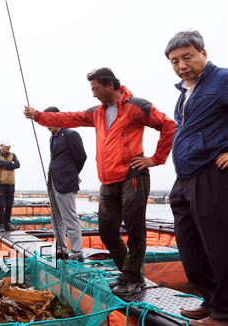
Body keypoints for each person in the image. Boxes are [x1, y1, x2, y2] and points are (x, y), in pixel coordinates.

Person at [23, 68, 176, 295]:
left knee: (135, 229)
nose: (93, 94)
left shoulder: (137, 106)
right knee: (106, 230)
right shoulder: (97, 112)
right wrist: (38, 116)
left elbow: (168, 125)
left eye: (96, 88)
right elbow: (69, 117)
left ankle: (132, 278)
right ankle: (129, 274)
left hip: (132, 175)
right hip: (108, 180)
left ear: (110, 85)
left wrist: (155, 159)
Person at [165, 31, 228, 326]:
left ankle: (225, 314)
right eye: (175, 61)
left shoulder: (222, 80)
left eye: (187, 56)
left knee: (219, 244)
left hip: (212, 172)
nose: (181, 65)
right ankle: (212, 299)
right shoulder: (185, 93)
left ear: (203, 52)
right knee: (191, 245)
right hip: (185, 176)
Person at [44, 107, 87, 262]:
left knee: (69, 217)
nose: (47, 125)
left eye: (49, 121)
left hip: (66, 182)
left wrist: (73, 174)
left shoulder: (70, 134)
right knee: (56, 218)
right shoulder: (52, 138)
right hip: (53, 182)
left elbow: (81, 157)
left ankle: (77, 252)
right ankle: (61, 249)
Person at [0, 139, 20, 232]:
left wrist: (6, 165)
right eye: (6, 146)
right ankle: (0, 224)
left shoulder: (13, 155)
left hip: (11, 184)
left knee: (9, 204)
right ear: (1, 145)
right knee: (1, 205)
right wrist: (10, 163)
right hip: (0, 184)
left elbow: (17, 165)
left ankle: (7, 223)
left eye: (9, 146)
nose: (8, 148)